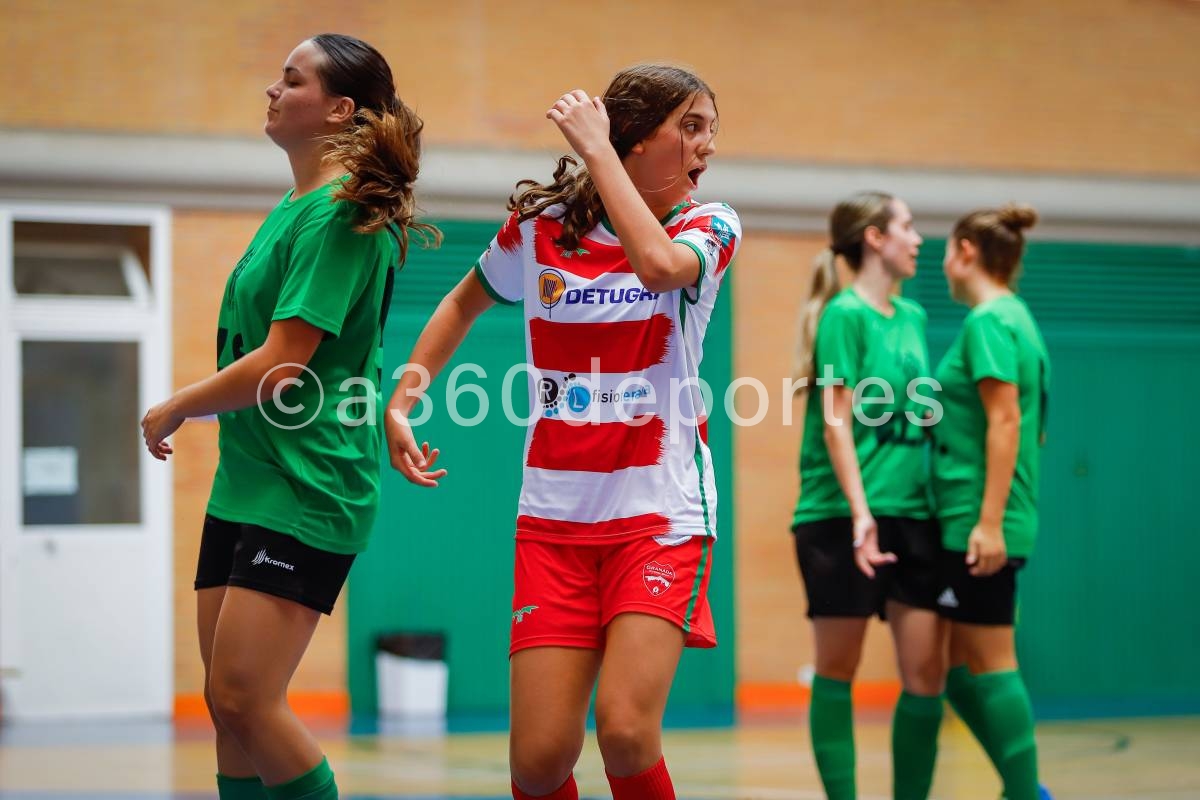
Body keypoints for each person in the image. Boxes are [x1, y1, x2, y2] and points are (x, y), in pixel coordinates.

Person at [384, 64, 740, 800]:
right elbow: (461, 302)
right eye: (691, 127)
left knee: (626, 734)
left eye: (711, 129)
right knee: (539, 762)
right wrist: (402, 401)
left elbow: (658, 267)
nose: (707, 145)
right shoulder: (540, 232)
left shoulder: (707, 226)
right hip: (554, 526)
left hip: (659, 520)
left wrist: (597, 152)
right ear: (636, 137)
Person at [141, 33, 437, 800]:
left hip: (308, 483)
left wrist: (178, 404)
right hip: (249, 476)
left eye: (292, 79)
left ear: (339, 109)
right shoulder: (296, 206)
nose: (273, 90)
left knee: (247, 699)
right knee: (226, 708)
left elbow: (281, 366)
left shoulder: (340, 215)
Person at [791, 191, 945, 800]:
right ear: (876, 238)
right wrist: (861, 515)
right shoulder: (843, 315)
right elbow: (836, 421)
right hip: (841, 517)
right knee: (838, 668)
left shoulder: (914, 317)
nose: (918, 239)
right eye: (908, 226)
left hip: (913, 514)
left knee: (926, 674)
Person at [932, 205, 1051, 800]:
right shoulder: (1018, 317)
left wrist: (989, 522)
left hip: (979, 521)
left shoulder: (988, 321)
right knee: (955, 671)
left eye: (945, 251)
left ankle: (1025, 792)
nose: (941, 264)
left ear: (966, 252)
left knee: (992, 661)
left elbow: (1007, 422)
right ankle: (1022, 786)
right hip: (980, 515)